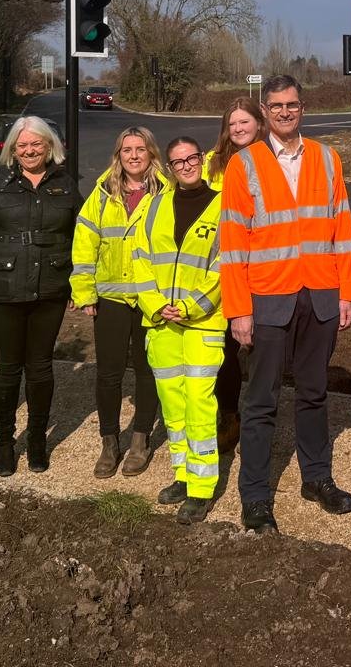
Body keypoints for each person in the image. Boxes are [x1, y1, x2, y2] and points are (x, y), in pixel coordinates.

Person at [219, 74, 351, 534]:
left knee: (314, 394)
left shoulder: (326, 157)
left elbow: (342, 229)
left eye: (292, 105)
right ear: (264, 110)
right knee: (260, 402)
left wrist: (346, 292)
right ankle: (255, 496)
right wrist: (238, 308)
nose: (284, 112)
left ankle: (316, 479)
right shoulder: (245, 164)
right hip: (267, 300)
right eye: (276, 106)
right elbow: (233, 243)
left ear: (303, 107)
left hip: (319, 297)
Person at [0, 116, 76, 477]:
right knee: (7, 369)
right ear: (12, 149)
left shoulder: (65, 183)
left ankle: (38, 439)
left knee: (40, 369)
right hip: (2, 289)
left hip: (50, 288)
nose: (29, 151)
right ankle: (5, 441)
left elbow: (81, 237)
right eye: (22, 145)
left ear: (49, 146)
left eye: (36, 144)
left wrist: (79, 284)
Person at [133, 135, 226, 524]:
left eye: (192, 158)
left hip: (202, 322)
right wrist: (156, 306)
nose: (186, 166)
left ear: (202, 161)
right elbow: (139, 259)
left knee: (198, 403)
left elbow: (226, 265)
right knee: (172, 404)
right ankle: (183, 475)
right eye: (177, 162)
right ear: (168, 168)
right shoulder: (154, 207)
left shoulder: (223, 206)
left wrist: (189, 308)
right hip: (161, 323)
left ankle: (202, 488)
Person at [72, 126, 167, 478]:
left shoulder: (165, 193)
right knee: (108, 374)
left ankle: (140, 439)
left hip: (149, 299)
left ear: (151, 153)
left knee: (147, 371)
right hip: (110, 298)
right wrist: (84, 292)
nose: (133, 155)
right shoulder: (102, 194)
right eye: (127, 150)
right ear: (118, 155)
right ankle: (109, 441)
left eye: (140, 149)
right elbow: (84, 243)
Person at [205, 96, 268, 454]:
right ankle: (229, 416)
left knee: (260, 350)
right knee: (226, 349)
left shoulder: (270, 161)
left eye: (245, 122)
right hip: (220, 268)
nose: (239, 128)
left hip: (261, 266)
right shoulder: (212, 166)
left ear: (259, 124)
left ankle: (260, 418)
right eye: (233, 124)